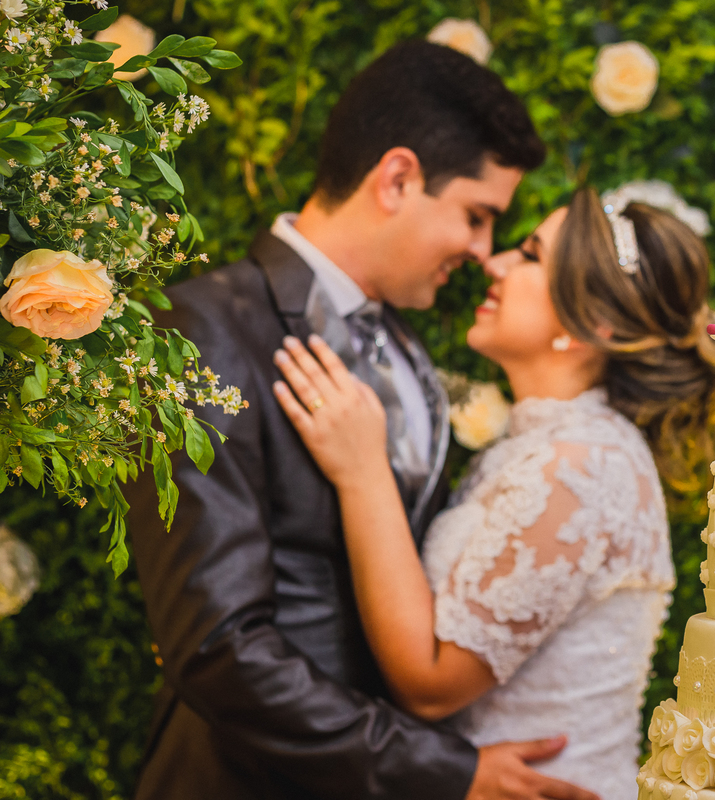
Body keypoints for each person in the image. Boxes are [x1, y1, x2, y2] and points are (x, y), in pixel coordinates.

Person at [125, 41, 598, 800]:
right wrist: (445, 770)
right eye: (477, 216)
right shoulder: (204, 329)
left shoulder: (405, 348)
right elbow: (217, 647)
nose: (484, 251)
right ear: (398, 179)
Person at [271, 186, 715, 799]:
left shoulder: (580, 468)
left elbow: (431, 683)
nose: (493, 264)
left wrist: (363, 471)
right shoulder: (550, 447)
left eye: (528, 255)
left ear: (589, 322)